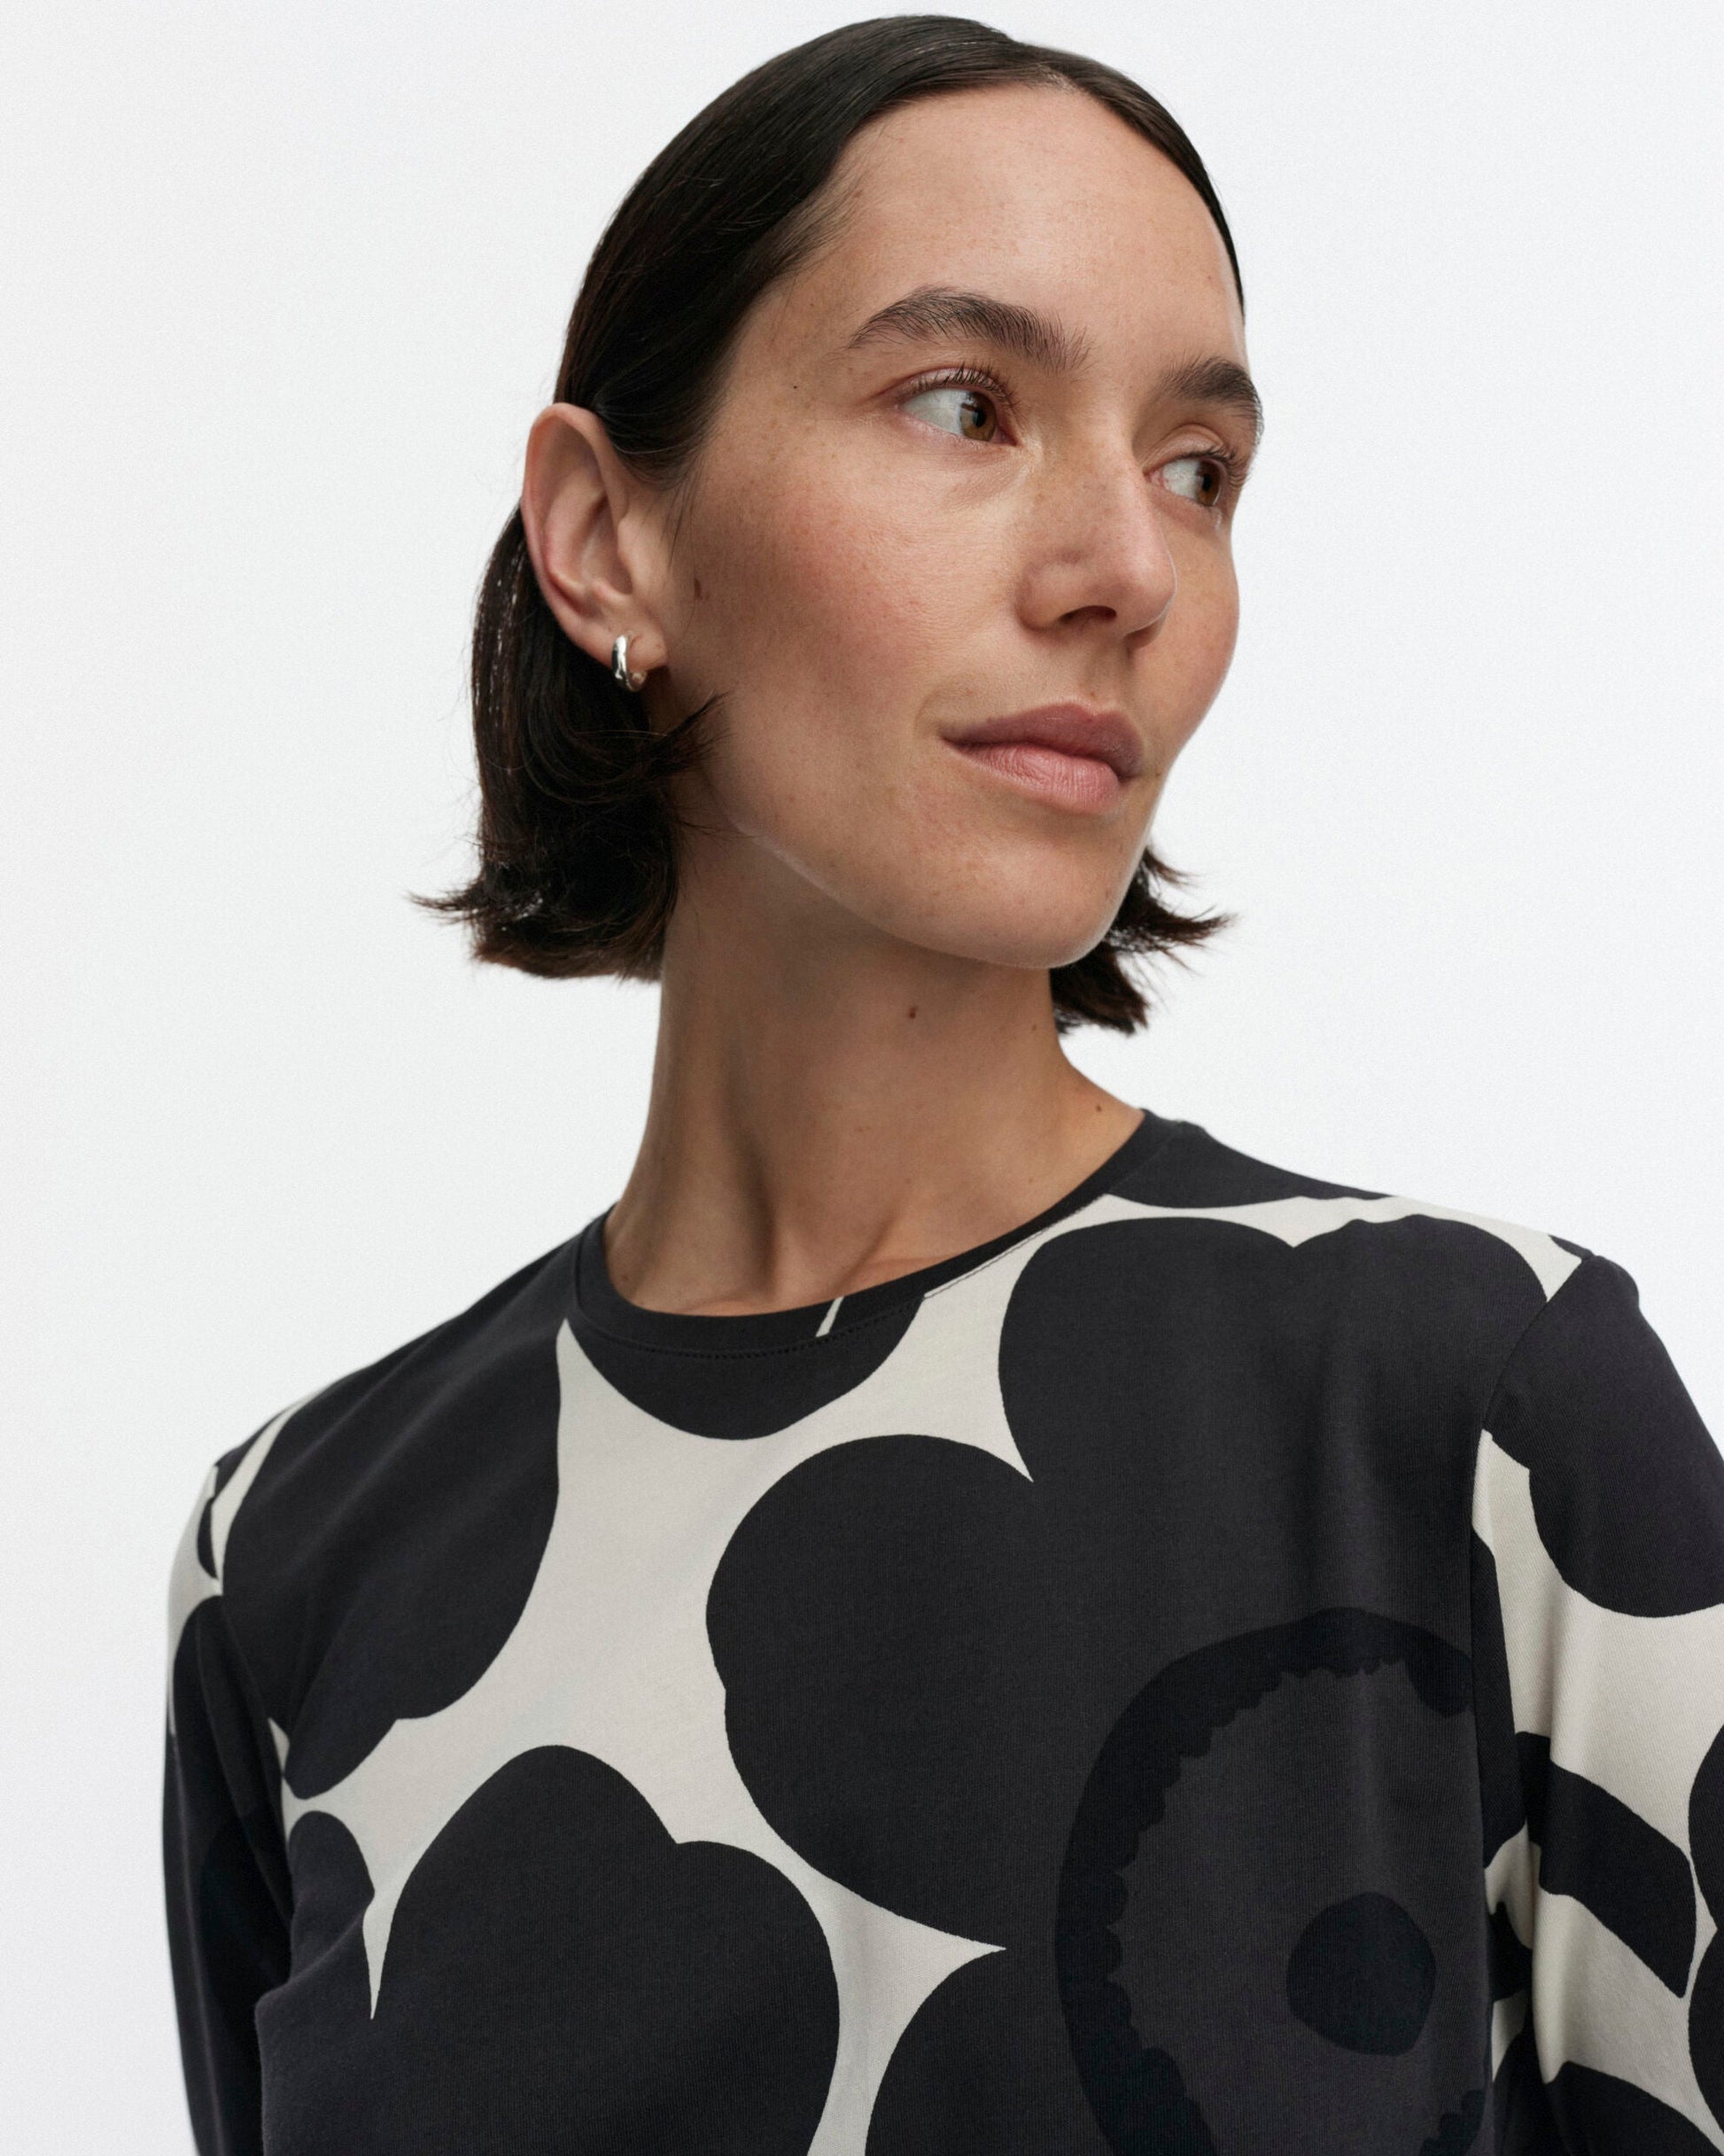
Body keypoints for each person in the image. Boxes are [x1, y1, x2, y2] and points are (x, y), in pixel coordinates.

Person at [161, 15, 1724, 2153]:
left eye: (1197, 467)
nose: (1126, 568)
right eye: (963, 403)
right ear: (606, 536)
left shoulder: (1480, 1410)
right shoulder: (299, 1556)